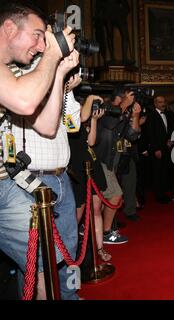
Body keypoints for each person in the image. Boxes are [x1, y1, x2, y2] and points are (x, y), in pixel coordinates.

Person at [0, 1, 77, 300]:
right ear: (9, 28)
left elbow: (46, 125)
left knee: (47, 257)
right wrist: (54, 53)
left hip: (6, 185)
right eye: (36, 34)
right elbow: (25, 102)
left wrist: (58, 73)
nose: (41, 44)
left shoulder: (9, 72)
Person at [94, 87, 141, 242]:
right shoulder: (105, 108)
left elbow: (133, 136)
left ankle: (97, 232)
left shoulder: (123, 113)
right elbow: (108, 124)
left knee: (101, 200)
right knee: (115, 194)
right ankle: (106, 232)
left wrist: (135, 115)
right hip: (100, 159)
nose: (132, 100)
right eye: (129, 97)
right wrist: (124, 105)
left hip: (112, 162)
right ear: (121, 97)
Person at [68, 94, 111, 262]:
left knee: (96, 210)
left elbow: (92, 142)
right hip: (77, 171)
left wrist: (94, 121)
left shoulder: (85, 122)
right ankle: (71, 254)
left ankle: (99, 248)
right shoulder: (69, 121)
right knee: (76, 216)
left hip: (92, 168)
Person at [147, 95, 174, 204]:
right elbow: (151, 134)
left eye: (164, 101)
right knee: (158, 173)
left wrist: (170, 140)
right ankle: (160, 197)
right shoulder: (151, 116)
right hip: (158, 149)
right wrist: (156, 149)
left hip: (166, 148)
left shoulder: (168, 114)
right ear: (155, 104)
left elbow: (168, 130)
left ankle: (164, 194)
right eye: (160, 102)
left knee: (165, 172)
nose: (163, 104)